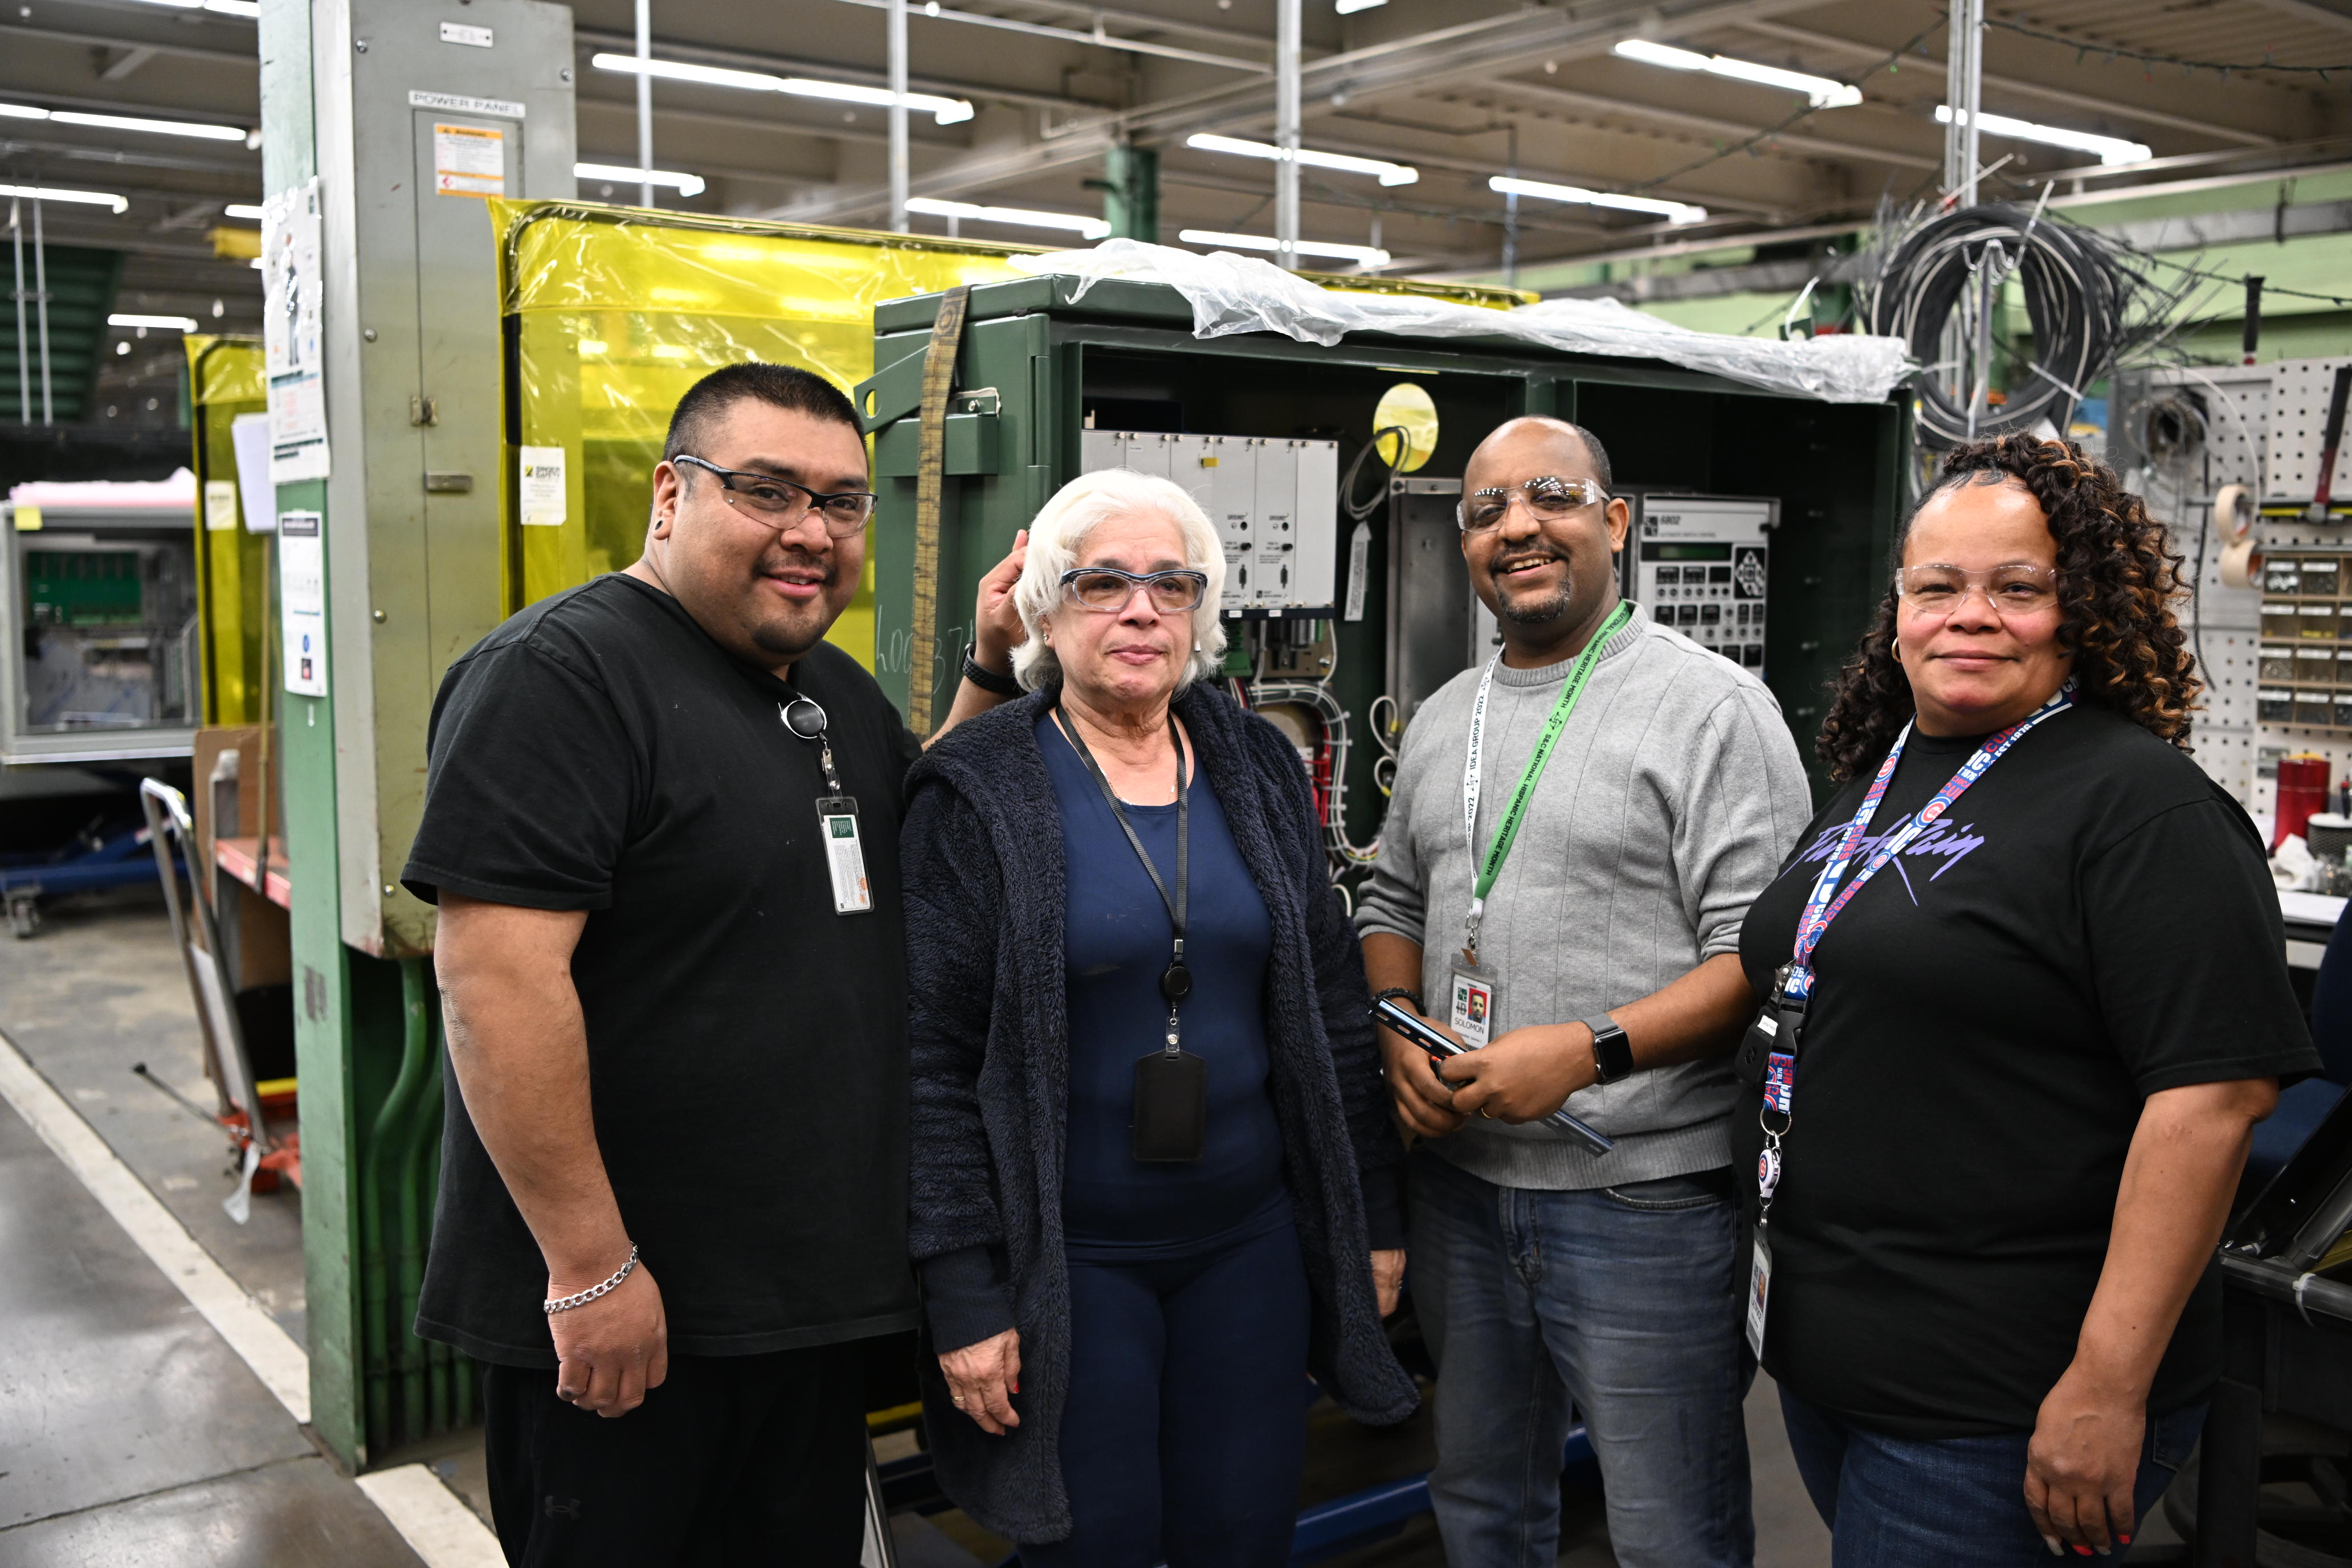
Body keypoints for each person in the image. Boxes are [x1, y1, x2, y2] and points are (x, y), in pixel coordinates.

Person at [402, 362, 1025, 1566]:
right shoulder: (561, 677)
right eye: (768, 491)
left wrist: (991, 666)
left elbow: (913, 835)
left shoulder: (828, 686)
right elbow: (493, 984)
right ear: (670, 496)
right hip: (636, 1320)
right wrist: (590, 1269)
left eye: (843, 503)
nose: (812, 532)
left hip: (797, 1303)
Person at [1733, 435, 2320, 1565]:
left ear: (2085, 610)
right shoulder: (1883, 775)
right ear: (1897, 609)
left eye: (2020, 588)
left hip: (1996, 1391)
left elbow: (2211, 1102)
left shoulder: (2144, 809)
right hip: (1837, 1357)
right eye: (1937, 586)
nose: (1970, 615)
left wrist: (2105, 1384)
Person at [899, 467, 1418, 1565]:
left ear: (1200, 614)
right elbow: (931, 1063)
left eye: (1171, 586)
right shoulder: (977, 789)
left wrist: (1369, 1212)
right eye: (1102, 583)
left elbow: (1329, 1002)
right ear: (1043, 609)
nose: (1141, 609)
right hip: (1072, 1266)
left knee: (1244, 1533)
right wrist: (963, 1293)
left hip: (1251, 1248)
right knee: (1098, 1544)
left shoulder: (1257, 766)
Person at [1355, 415, 1810, 1568]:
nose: (1518, 526)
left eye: (1550, 497)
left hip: (1639, 1200)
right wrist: (1399, 1031)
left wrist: (1589, 1051)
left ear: (1614, 521)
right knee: (1485, 1508)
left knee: (1671, 1528)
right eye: (1486, 510)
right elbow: (1393, 903)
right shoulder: (1446, 715)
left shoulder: (1713, 710)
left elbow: (1762, 960)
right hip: (1464, 1190)